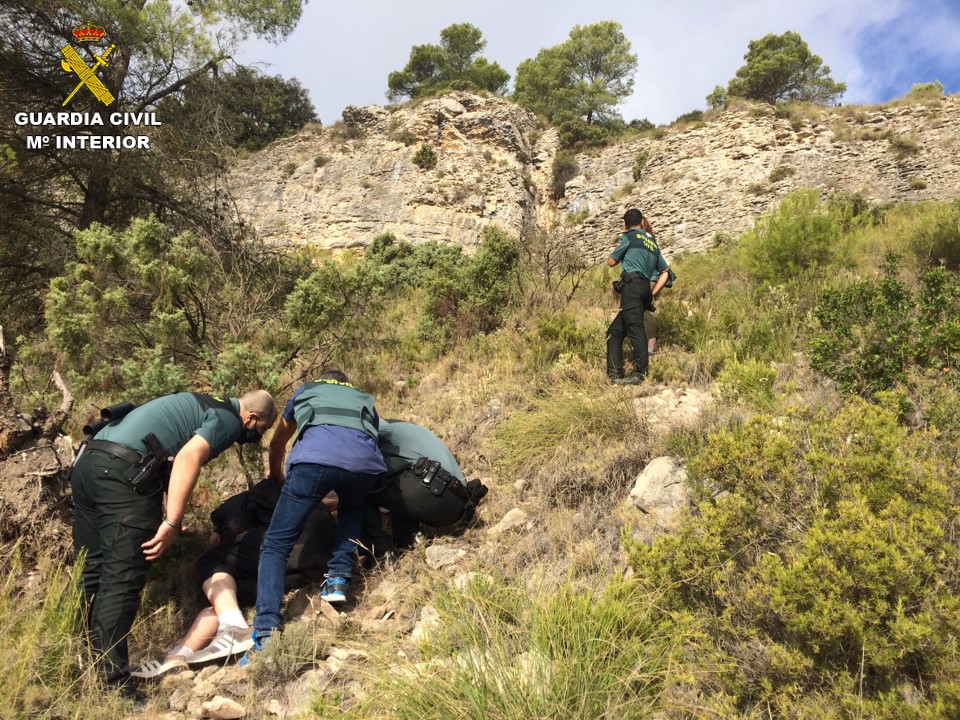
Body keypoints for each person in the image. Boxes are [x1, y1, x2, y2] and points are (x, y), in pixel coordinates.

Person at [71, 389, 277, 688]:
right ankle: (112, 682)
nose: (259, 434)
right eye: (263, 429)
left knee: (90, 570)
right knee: (121, 578)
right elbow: (188, 456)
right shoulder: (229, 420)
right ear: (252, 417)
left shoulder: (199, 401)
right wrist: (172, 521)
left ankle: (74, 661)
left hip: (87, 466)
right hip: (124, 477)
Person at [242, 370, 387, 664]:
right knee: (351, 507)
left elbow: (278, 442)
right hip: (366, 467)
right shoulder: (363, 398)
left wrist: (279, 477)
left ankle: (266, 630)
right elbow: (369, 436)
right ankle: (337, 579)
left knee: (275, 545)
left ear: (323, 380)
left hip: (313, 463)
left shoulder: (307, 390)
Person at [131, 479, 336, 678]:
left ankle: (234, 628)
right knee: (225, 600)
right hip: (318, 561)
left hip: (294, 539)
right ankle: (180, 654)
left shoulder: (232, 511)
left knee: (208, 560)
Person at [362, 420, 486, 562]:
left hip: (439, 492)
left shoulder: (379, 426)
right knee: (396, 473)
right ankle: (409, 537)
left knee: (358, 485)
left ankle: (380, 556)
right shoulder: (403, 431)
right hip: (457, 500)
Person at [606, 208, 671, 384]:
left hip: (632, 287)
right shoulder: (653, 243)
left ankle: (641, 374)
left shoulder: (629, 236)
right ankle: (614, 375)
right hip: (644, 289)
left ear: (625, 224)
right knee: (614, 332)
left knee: (635, 328)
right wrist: (651, 294)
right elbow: (665, 272)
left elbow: (611, 262)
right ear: (642, 221)